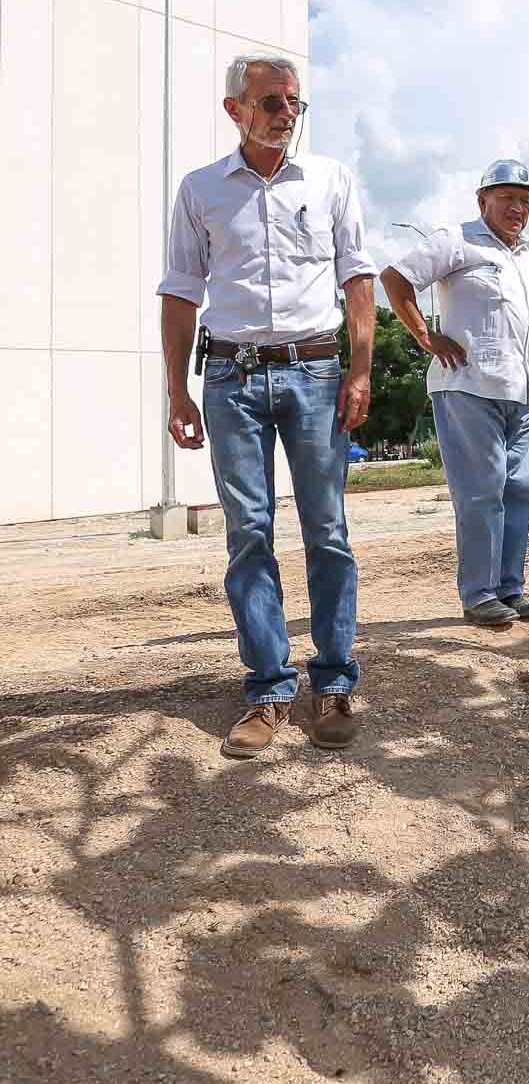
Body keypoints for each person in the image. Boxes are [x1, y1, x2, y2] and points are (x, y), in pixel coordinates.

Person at [158, 54, 376, 758]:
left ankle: (335, 681)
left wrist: (362, 372)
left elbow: (358, 278)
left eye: (294, 101)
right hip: (231, 378)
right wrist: (176, 390)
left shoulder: (332, 180)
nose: (286, 112)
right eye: (271, 100)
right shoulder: (200, 191)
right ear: (235, 110)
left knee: (328, 529)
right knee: (248, 532)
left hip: (315, 372)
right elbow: (181, 291)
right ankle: (268, 689)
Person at [380, 160, 529, 628]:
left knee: (521, 492)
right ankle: (478, 594)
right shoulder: (456, 240)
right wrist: (425, 336)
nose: (517, 208)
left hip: (523, 392)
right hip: (468, 387)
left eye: (524, 200)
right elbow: (395, 280)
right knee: (482, 493)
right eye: (506, 198)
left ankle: (509, 589)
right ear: (483, 202)